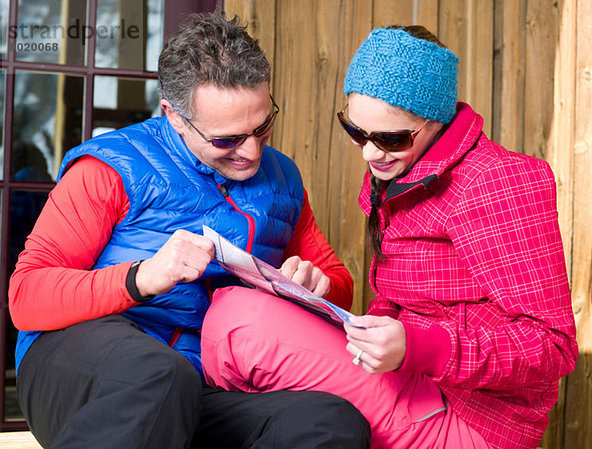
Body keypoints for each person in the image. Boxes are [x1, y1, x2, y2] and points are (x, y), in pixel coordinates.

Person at [200, 25, 579, 449]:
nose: (369, 152)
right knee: (231, 313)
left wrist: (419, 347)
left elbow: (552, 346)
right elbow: (396, 302)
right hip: (411, 381)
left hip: (468, 417)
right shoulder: (402, 171)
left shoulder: (497, 180)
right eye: (356, 131)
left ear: (437, 121)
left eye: (390, 138)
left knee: (240, 326)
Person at [8, 13, 371, 449]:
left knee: (331, 421)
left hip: (203, 383)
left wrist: (320, 286)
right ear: (174, 116)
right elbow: (26, 296)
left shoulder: (284, 180)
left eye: (262, 126)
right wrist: (142, 276)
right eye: (227, 140)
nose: (252, 151)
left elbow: (340, 285)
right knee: (159, 377)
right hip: (84, 369)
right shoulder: (107, 169)